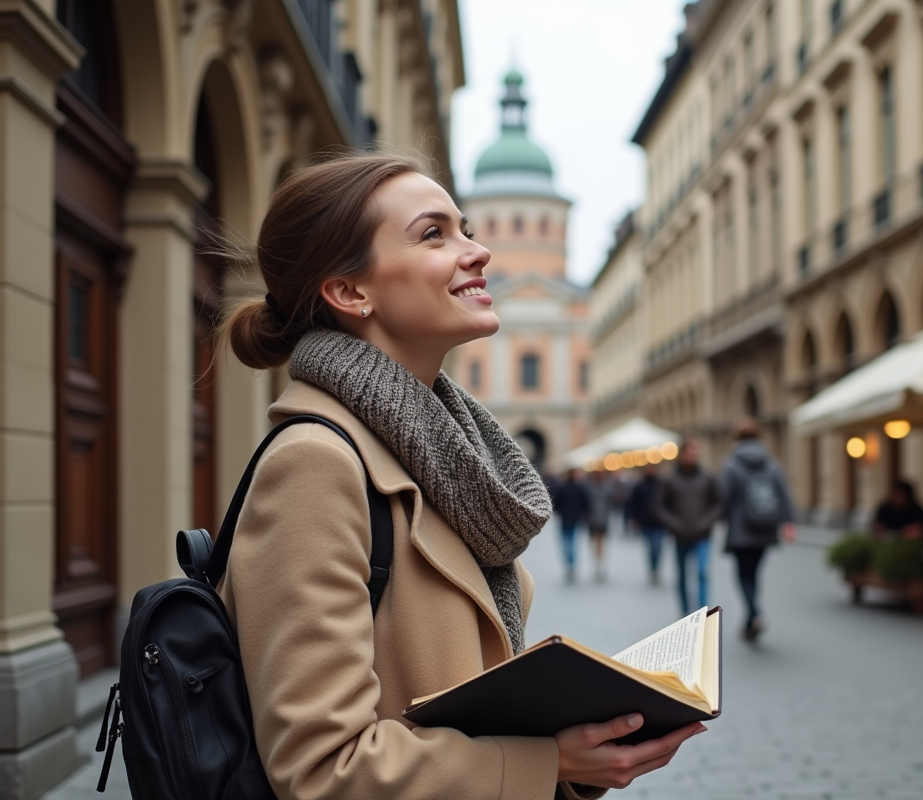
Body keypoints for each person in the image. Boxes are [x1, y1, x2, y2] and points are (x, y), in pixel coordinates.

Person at [217, 153, 702, 799]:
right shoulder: (317, 462)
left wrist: (582, 751)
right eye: (433, 234)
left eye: (467, 228)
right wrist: (547, 764)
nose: (478, 252)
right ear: (350, 291)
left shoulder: (439, 455)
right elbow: (320, 769)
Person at [719, 419, 796, 642]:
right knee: (754, 573)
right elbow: (784, 492)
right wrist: (789, 522)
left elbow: (724, 496)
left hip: (741, 530)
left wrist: (719, 518)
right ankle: (751, 616)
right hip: (766, 527)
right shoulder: (771, 462)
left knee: (743, 574)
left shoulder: (732, 463)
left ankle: (754, 613)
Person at [654, 437, 724, 616]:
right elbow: (659, 506)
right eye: (691, 451)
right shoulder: (670, 478)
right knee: (683, 576)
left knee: (702, 572)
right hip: (680, 535)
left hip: (702, 534)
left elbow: (719, 503)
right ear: (682, 453)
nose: (694, 455)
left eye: (696, 452)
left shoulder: (707, 476)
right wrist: (674, 524)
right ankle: (685, 611)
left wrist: (706, 521)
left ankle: (703, 612)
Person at [626, 463, 667, 584]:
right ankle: (653, 568)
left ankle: (656, 568)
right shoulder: (640, 486)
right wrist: (634, 519)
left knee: (658, 547)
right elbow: (633, 503)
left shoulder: (661, 485)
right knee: (651, 547)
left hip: (659, 521)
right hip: (646, 522)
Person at [551, 469, 589, 583]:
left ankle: (569, 562)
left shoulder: (562, 487)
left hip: (565, 518)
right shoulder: (579, 488)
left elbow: (555, 502)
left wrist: (558, 512)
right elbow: (584, 503)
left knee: (566, 541)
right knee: (572, 540)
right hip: (575, 518)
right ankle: (571, 563)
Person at [584, 469, 613, 581]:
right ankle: (598, 563)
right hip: (598, 519)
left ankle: (598, 564)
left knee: (598, 542)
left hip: (599, 519)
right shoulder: (594, 488)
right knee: (597, 542)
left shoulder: (590, 488)